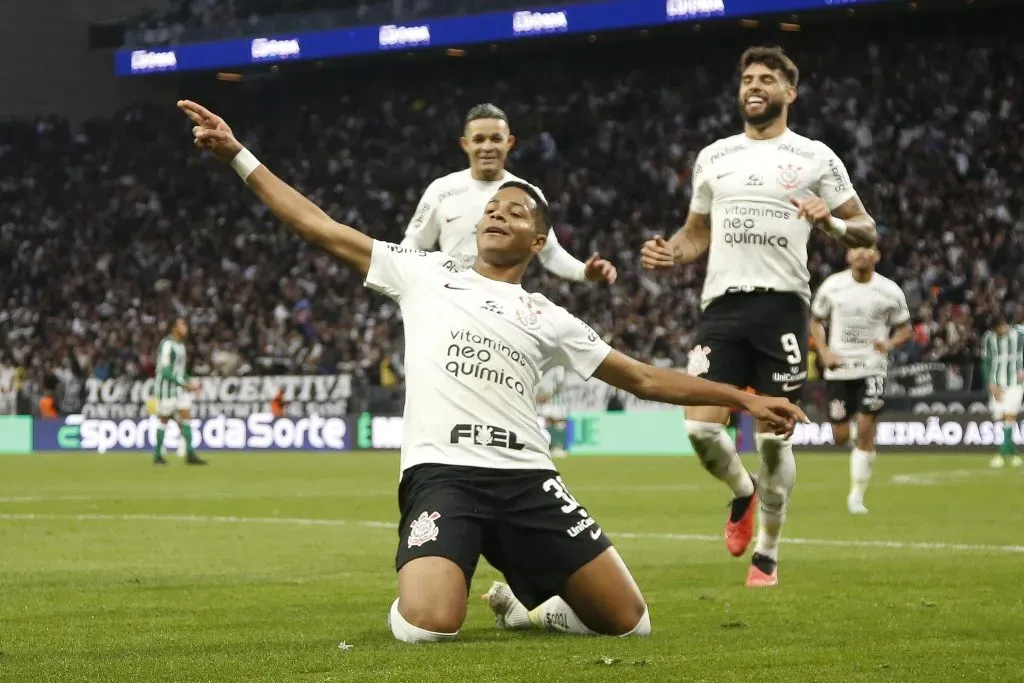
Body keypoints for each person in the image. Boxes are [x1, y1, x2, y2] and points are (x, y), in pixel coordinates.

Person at [178, 99, 808, 642]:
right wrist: (238, 154)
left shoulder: (546, 314)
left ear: (539, 242)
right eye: (493, 208)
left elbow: (642, 378)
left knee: (629, 621)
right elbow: (318, 225)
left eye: (517, 211)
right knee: (429, 627)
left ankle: (523, 610)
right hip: (444, 475)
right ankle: (437, 567)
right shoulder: (423, 272)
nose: (498, 213)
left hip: (526, 478)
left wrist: (743, 400)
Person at [640, 46, 876, 587]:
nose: (754, 85)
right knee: (699, 431)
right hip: (722, 306)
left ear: (789, 93)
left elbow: (866, 228)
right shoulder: (714, 156)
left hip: (781, 306)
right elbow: (695, 232)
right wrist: (672, 252)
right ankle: (742, 493)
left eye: (767, 78)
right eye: (747, 77)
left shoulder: (816, 157)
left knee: (772, 442)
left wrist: (832, 225)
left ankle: (767, 551)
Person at [401, 103, 616, 284]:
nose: (487, 147)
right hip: (451, 308)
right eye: (478, 139)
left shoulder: (528, 195)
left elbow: (550, 253)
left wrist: (584, 272)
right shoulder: (441, 189)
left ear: (509, 143)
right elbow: (414, 244)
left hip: (503, 311)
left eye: (495, 139)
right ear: (465, 145)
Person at [810, 246, 912, 514]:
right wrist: (824, 352)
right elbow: (816, 321)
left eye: (868, 249)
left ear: (877, 255)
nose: (861, 254)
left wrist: (889, 343)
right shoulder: (833, 286)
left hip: (872, 367)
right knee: (840, 436)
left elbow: (905, 327)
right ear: (847, 255)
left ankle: (856, 495)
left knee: (866, 427)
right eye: (855, 249)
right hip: (839, 369)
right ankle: (860, 443)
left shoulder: (890, 290)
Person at [151, 317, 206, 465]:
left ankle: (190, 454)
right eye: (182, 325)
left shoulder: (181, 346)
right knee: (164, 419)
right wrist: (184, 384)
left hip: (180, 390)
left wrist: (191, 382)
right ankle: (157, 455)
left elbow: (180, 371)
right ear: (174, 328)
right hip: (166, 389)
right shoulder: (167, 345)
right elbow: (165, 370)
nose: (185, 328)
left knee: (186, 417)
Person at [981, 316, 1024, 469]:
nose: (1001, 330)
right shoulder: (988, 338)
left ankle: (1001, 454)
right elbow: (986, 361)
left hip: (1015, 383)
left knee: (1009, 415)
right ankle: (1013, 454)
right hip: (997, 384)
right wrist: (990, 383)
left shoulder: (1020, 334)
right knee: (1002, 418)